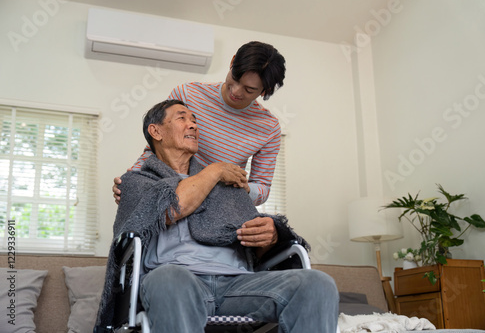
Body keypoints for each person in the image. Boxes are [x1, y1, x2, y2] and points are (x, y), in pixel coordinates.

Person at [95, 100, 339, 333]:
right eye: (182, 119)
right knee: (170, 278)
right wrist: (215, 169)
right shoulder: (137, 182)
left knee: (317, 284)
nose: (193, 124)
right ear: (155, 131)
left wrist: (271, 235)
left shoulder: (227, 187)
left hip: (238, 285)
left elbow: (258, 249)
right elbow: (171, 209)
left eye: (194, 120)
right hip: (177, 280)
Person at [113, 41, 286, 206]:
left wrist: (245, 187)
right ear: (232, 61)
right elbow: (157, 145)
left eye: (249, 90)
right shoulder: (188, 94)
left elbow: (263, 187)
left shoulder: (268, 127)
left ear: (266, 90)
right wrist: (131, 180)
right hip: (174, 192)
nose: (236, 91)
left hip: (219, 204)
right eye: (235, 78)